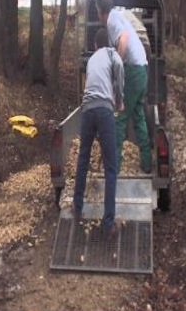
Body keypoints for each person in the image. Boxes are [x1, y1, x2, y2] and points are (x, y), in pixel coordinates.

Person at [73, 28, 124, 238]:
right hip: (104, 111)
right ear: (108, 44)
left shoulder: (92, 59)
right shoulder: (112, 54)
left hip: (87, 110)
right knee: (111, 168)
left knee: (83, 159)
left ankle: (77, 208)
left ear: (95, 45)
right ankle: (108, 224)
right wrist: (119, 100)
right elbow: (120, 67)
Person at [95, 0, 152, 174]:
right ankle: (146, 162)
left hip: (133, 70)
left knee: (119, 118)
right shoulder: (119, 16)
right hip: (142, 68)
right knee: (138, 117)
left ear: (99, 10)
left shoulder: (111, 20)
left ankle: (114, 167)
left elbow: (124, 39)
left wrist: (116, 68)